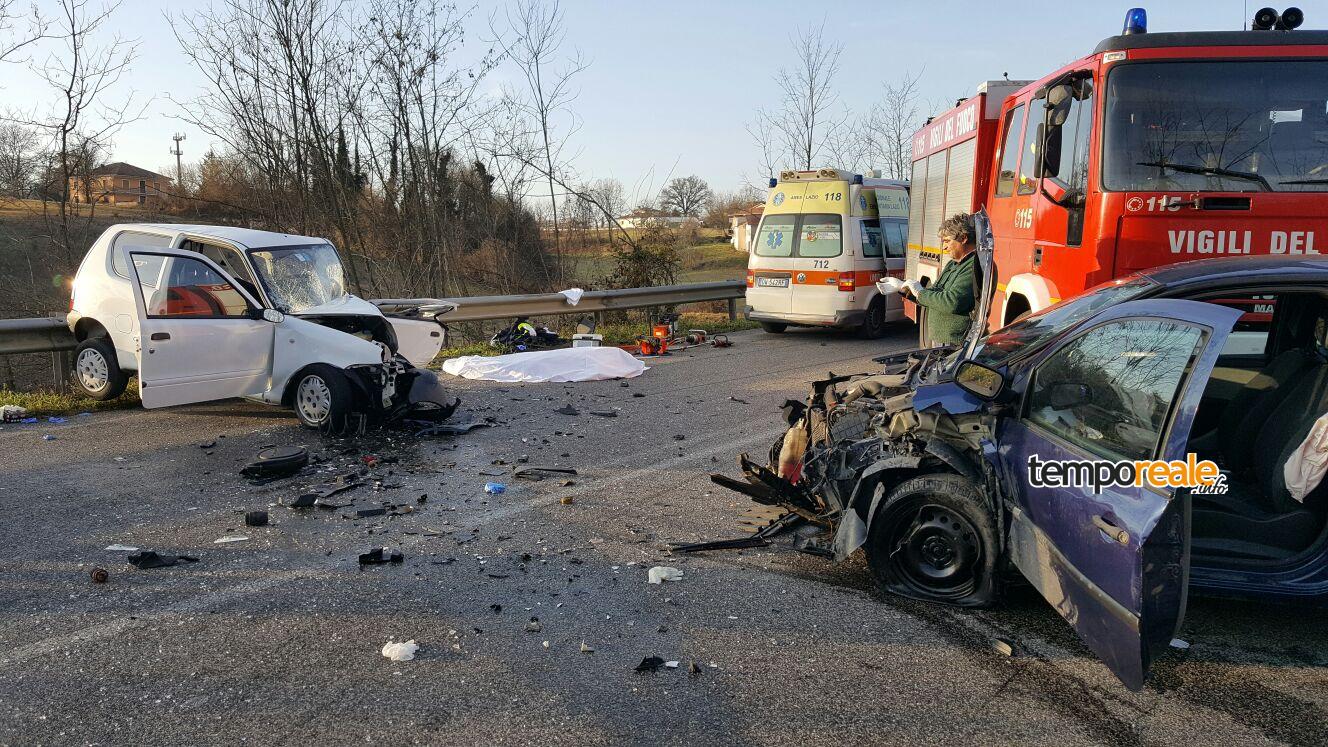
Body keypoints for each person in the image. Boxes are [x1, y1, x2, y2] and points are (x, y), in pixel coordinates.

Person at [899, 213, 980, 346]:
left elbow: (952, 302)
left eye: (948, 241)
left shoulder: (973, 266)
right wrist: (904, 289)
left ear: (963, 238)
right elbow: (935, 296)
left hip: (955, 342)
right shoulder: (953, 264)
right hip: (942, 340)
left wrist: (920, 292)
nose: (944, 247)